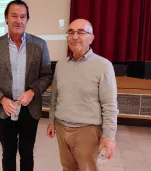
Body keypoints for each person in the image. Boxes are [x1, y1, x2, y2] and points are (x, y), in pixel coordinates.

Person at [0, 1, 53, 171]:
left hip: (30, 109)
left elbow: (47, 75)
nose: (18, 20)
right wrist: (2, 99)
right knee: (8, 153)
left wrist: (33, 92)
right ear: (6, 18)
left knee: (27, 153)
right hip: (5, 111)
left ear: (27, 20)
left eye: (23, 16)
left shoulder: (39, 45)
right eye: (14, 16)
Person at [47, 19, 119, 171]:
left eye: (81, 32)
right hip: (61, 127)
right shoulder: (61, 65)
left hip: (87, 131)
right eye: (71, 32)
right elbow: (55, 96)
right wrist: (52, 120)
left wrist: (109, 136)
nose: (74, 36)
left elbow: (110, 104)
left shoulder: (103, 65)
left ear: (91, 38)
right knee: (67, 168)